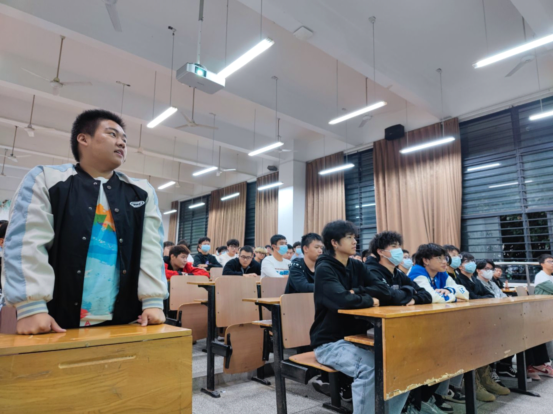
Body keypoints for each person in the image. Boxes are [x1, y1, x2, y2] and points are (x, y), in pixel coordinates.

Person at [1, 109, 167, 334]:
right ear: (83, 138)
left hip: (128, 320)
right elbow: (25, 243)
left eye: (125, 139)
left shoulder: (142, 191)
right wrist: (31, 306)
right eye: (112, 134)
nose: (121, 143)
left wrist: (154, 300)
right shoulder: (45, 179)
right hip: (54, 321)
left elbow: (151, 249)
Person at [310, 220, 407, 414]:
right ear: (334, 243)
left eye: (355, 237)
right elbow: (342, 300)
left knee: (401, 365)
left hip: (357, 338)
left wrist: (358, 291)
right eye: (349, 238)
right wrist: (369, 299)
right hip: (330, 343)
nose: (355, 241)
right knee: (370, 368)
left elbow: (383, 290)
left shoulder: (356, 265)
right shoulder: (325, 268)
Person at [365, 232, 432, 306]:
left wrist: (414, 299)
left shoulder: (398, 273)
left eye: (399, 246)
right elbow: (387, 296)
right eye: (394, 246)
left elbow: (427, 295)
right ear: (380, 252)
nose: (399, 250)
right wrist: (410, 290)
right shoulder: (371, 272)